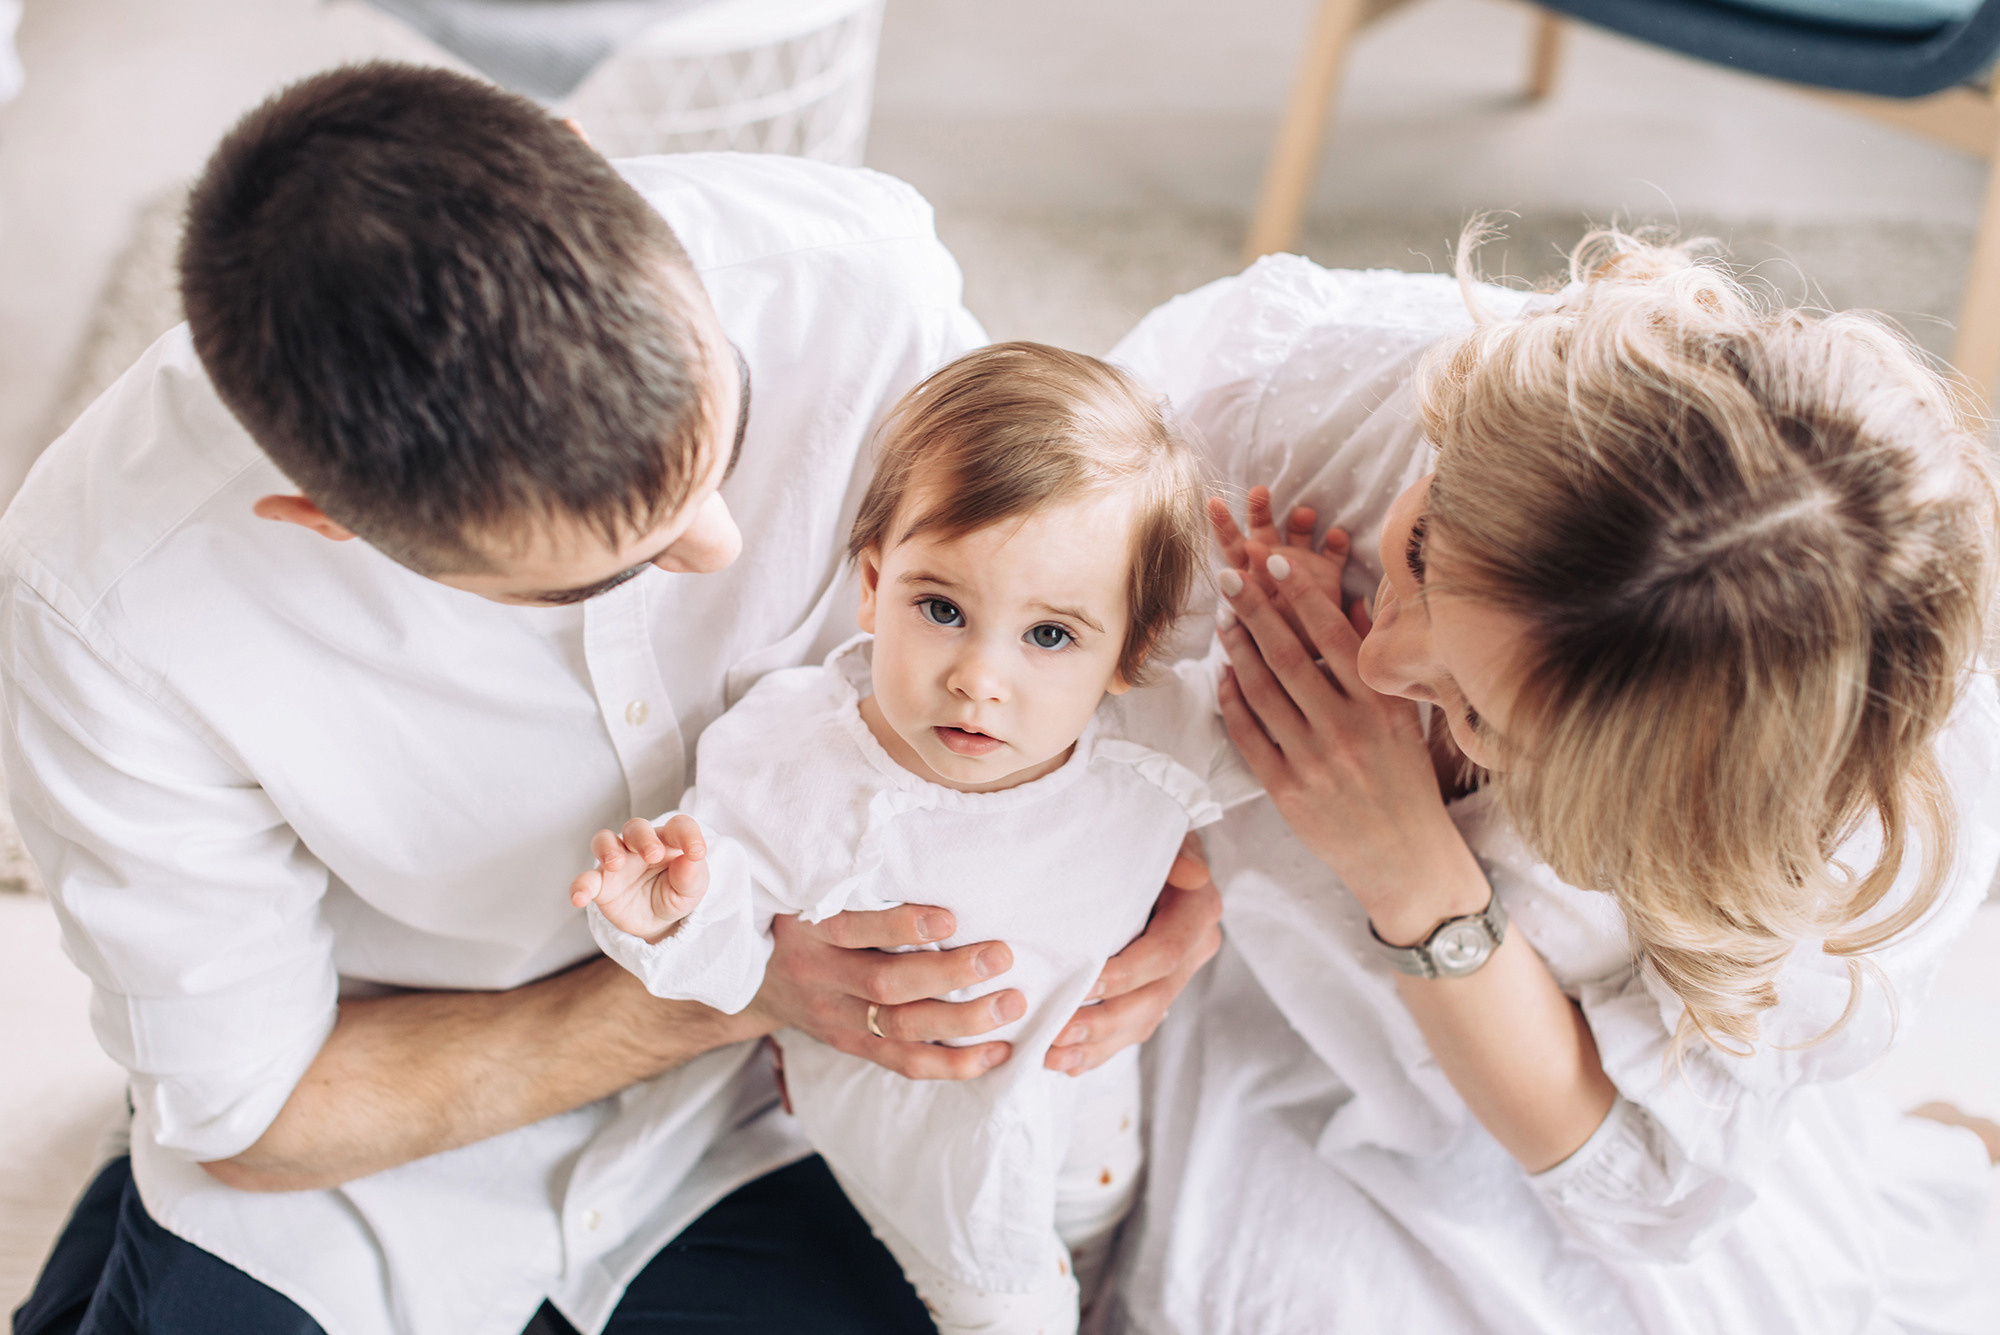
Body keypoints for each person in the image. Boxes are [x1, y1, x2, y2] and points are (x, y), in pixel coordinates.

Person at [2, 64, 1220, 1335]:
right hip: (400, 1141)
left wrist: (1173, 875)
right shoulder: (106, 599)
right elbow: (260, 1118)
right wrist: (742, 983)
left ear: (588, 163)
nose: (716, 548)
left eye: (720, 435)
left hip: (786, 1118)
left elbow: (1055, 579)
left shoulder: (852, 278)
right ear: (326, 519)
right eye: (610, 566)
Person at [1095, 234, 2000, 1334]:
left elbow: (1632, 1178)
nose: (1379, 666)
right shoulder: (1288, 380)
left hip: (1522, 1083)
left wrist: (1405, 864)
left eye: (1481, 715)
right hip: (1240, 985)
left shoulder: (1856, 833)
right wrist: (1161, 854)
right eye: (1423, 548)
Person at [574, 342, 1256, 1335]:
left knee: (1103, 1233)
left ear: (1127, 653)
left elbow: (1283, 763)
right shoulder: (795, 756)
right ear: (870, 585)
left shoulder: (1155, 736)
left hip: (1092, 1102)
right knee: (1013, 1305)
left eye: (1049, 636)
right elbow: (727, 942)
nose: (979, 677)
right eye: (940, 609)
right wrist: (663, 918)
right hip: (933, 1157)